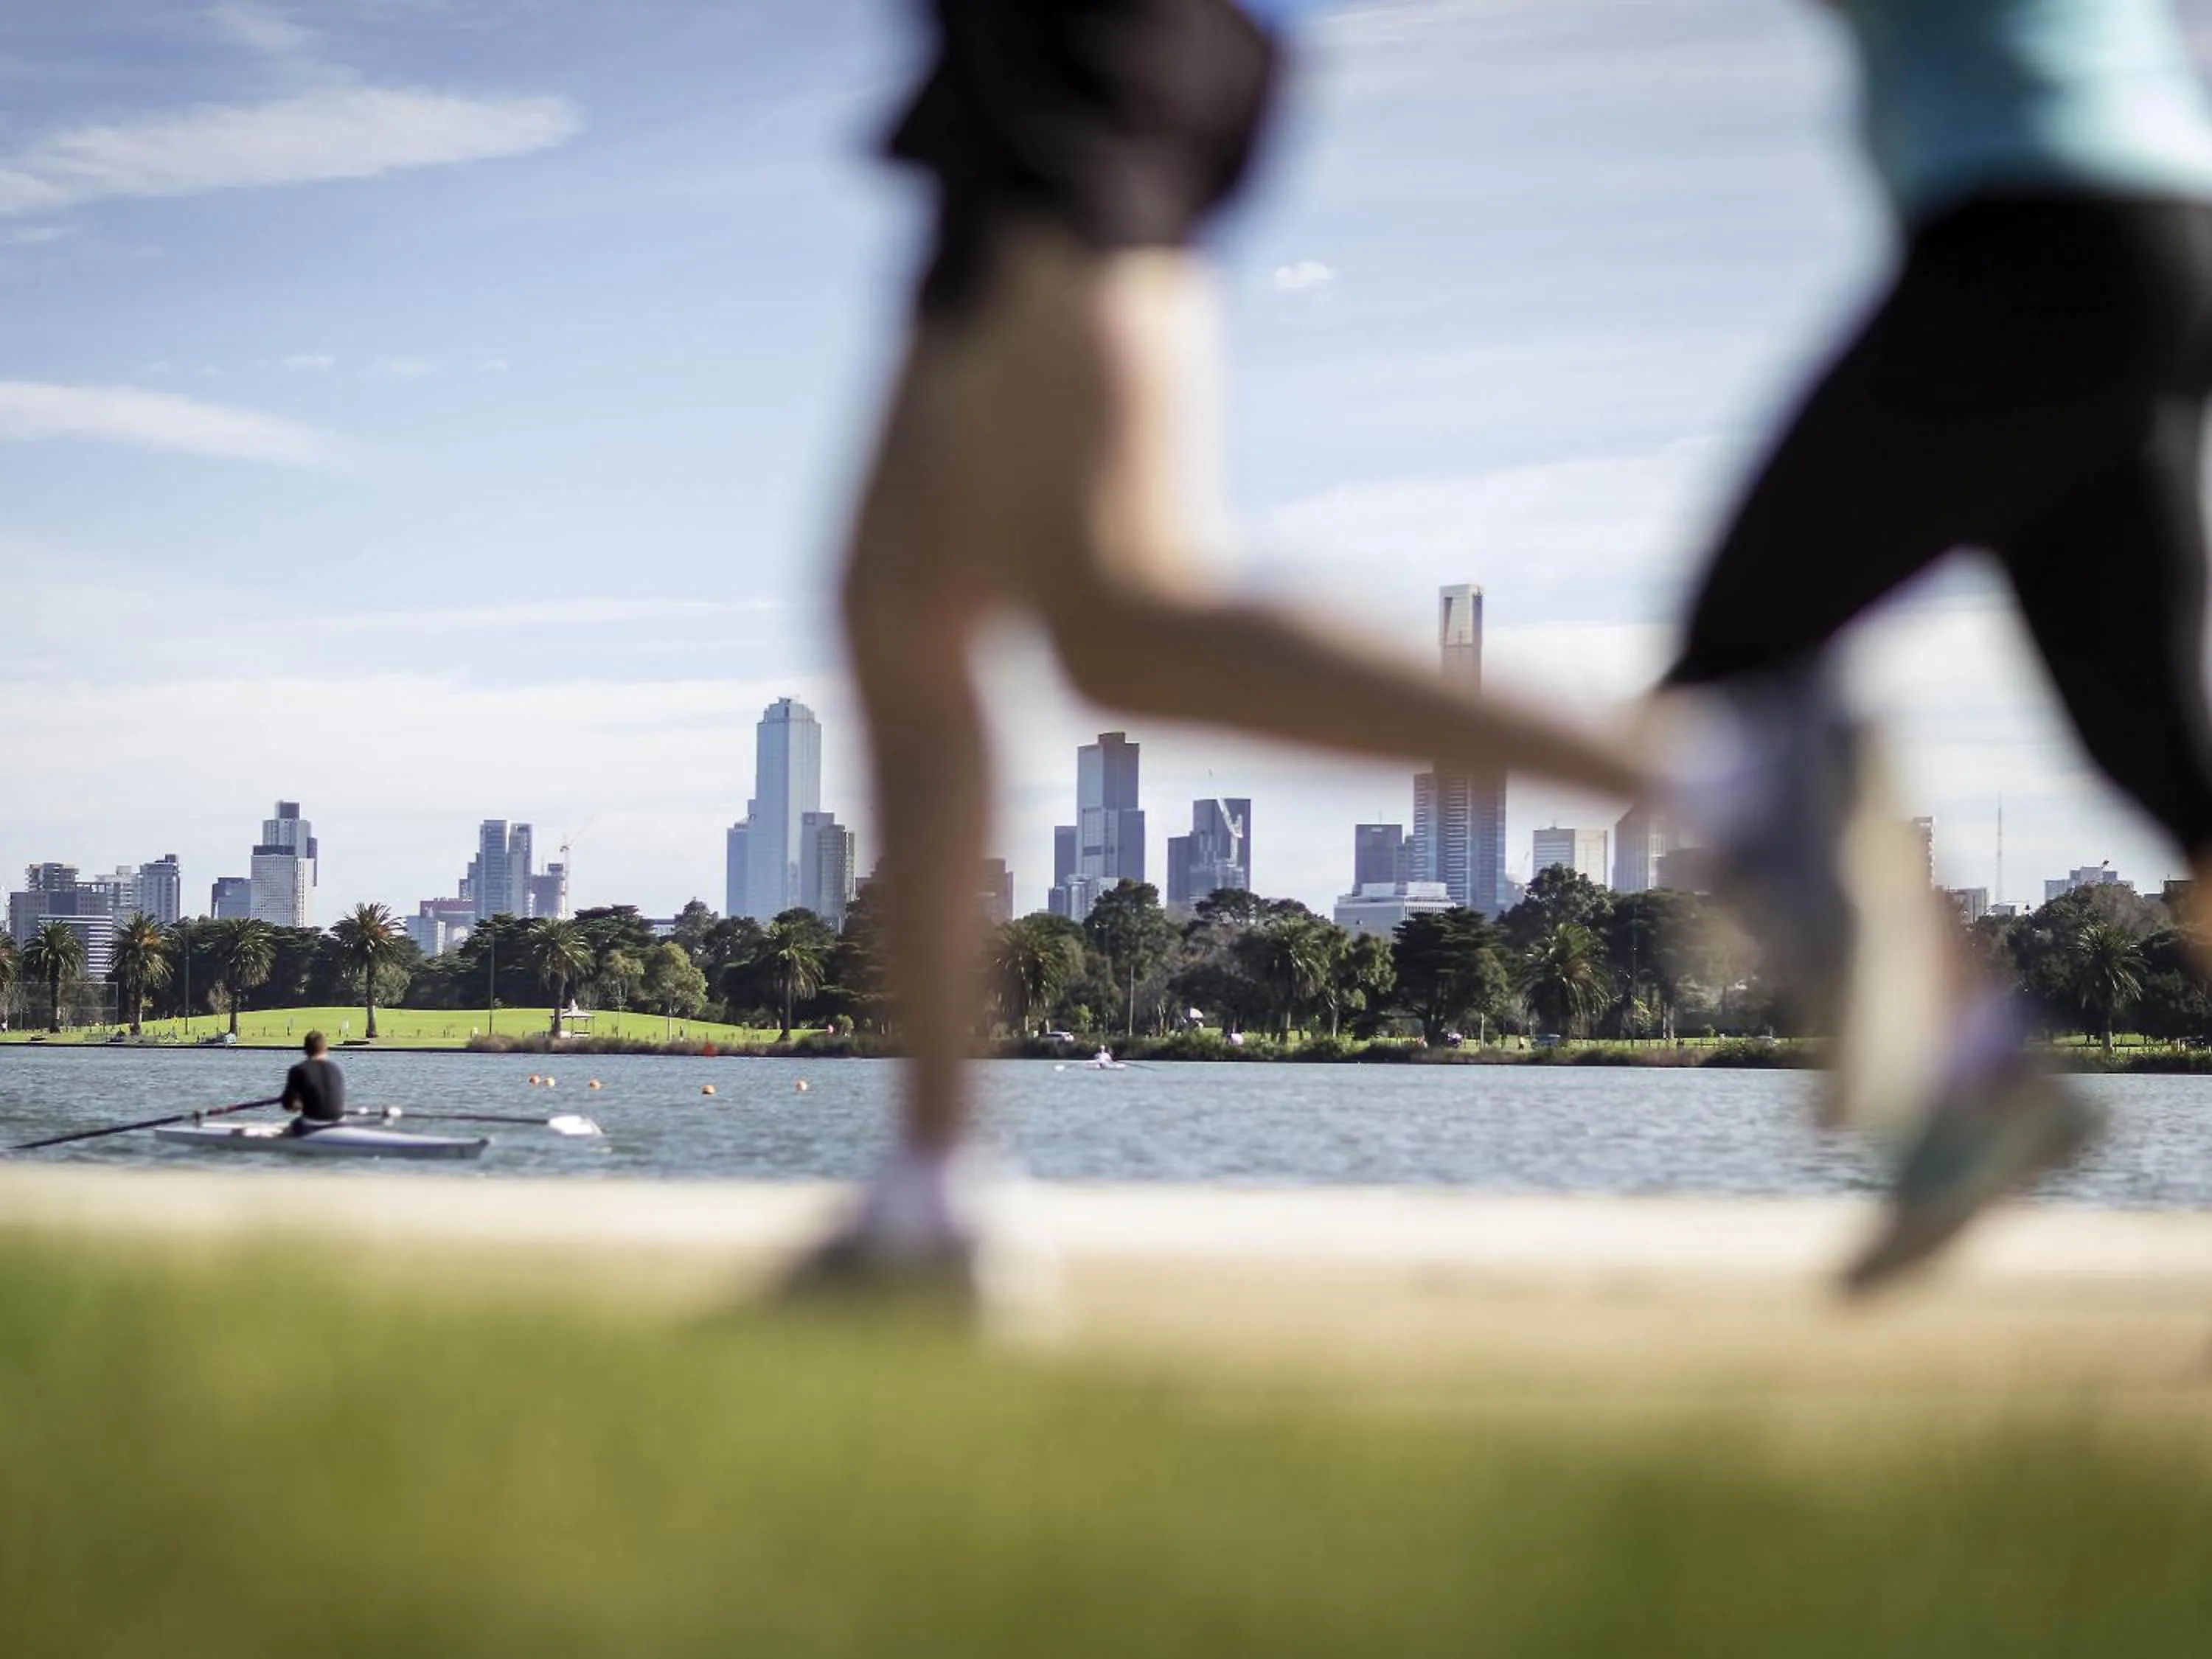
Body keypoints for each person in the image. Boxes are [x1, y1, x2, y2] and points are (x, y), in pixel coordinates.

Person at [800, 0, 1675, 1294]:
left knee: (1122, 616)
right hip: (1021, 74)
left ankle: (1716, 766)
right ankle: (936, 1200)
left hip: (1084, 51)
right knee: (901, 608)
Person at [1662, 0, 2212, 1288]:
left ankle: (1968, 1087)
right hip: (2165, 231)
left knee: (1731, 676)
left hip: (2036, 240)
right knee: (2173, 776)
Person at [282, 1031, 346, 1137]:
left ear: (305, 1050)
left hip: (313, 1124)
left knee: (288, 1130)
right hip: (340, 1122)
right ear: (325, 1048)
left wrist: (298, 1102)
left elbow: (290, 1106)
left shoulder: (298, 1070)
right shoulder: (336, 1069)